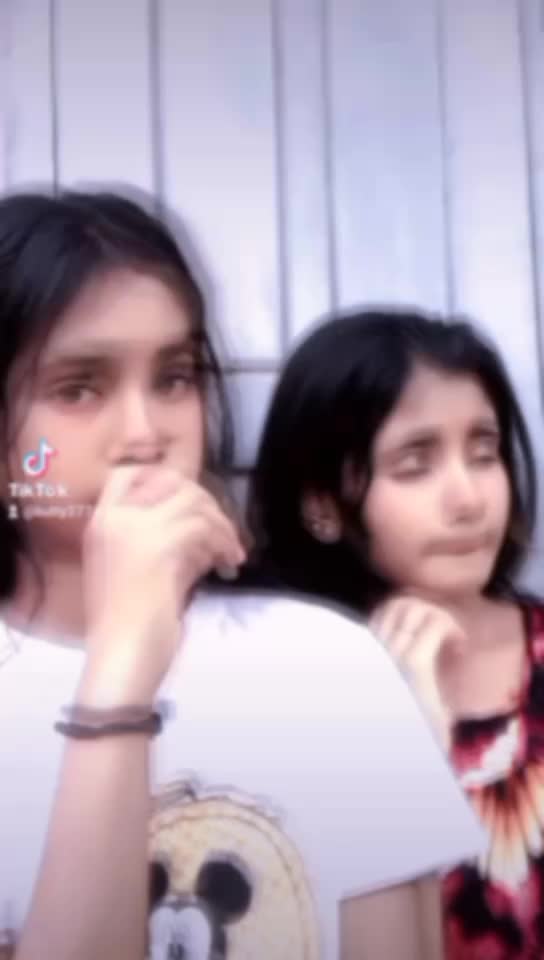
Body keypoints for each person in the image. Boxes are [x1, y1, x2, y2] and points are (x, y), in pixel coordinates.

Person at [0, 194, 483, 960]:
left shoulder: (324, 662)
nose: (145, 435)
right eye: (78, 389)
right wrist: (121, 669)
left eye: (175, 378)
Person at [248, 307, 542, 959]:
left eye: (484, 454)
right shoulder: (280, 691)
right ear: (322, 502)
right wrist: (401, 734)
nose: (468, 499)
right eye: (415, 465)